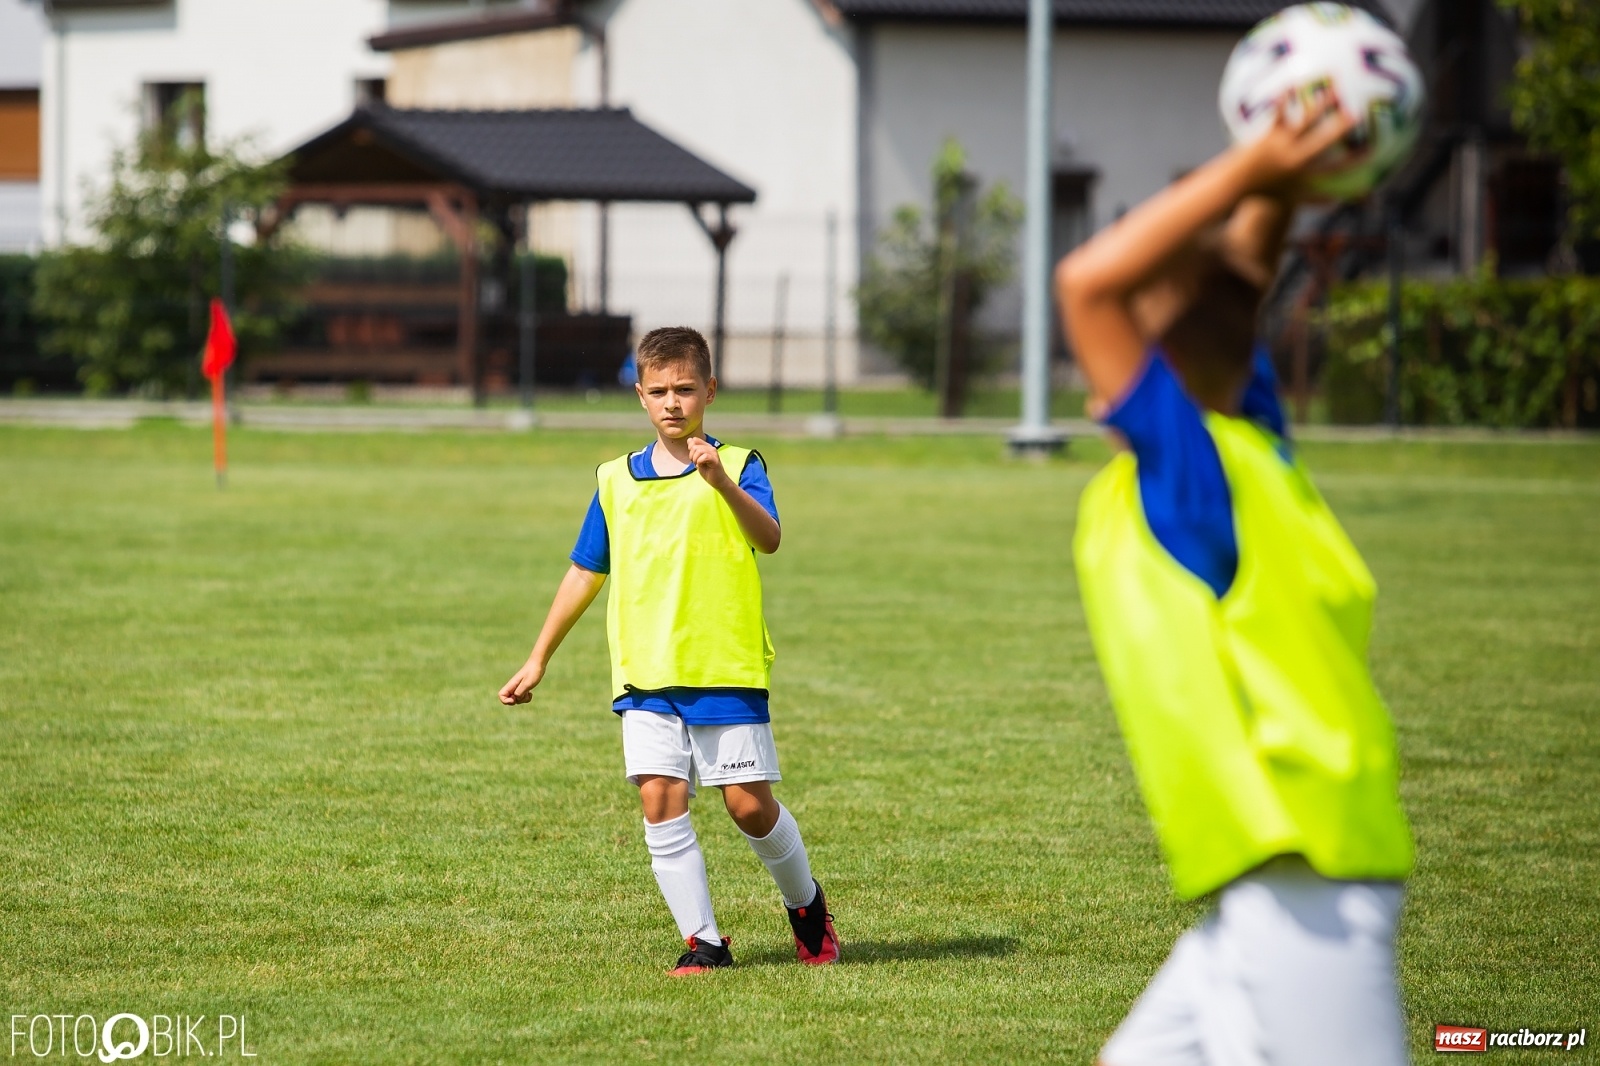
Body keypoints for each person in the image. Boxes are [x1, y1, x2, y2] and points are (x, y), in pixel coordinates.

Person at [1057, 95, 1416, 1066]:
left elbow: (1085, 282)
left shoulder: (1186, 472)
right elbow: (1239, 278)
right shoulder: (1254, 443)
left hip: (1300, 882)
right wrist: (1284, 179)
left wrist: (1250, 161)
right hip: (1287, 870)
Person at [498, 326, 839, 975]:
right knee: (660, 796)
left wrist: (719, 483)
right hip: (645, 672)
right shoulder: (615, 481)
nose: (673, 402)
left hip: (723, 666)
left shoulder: (739, 465)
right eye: (659, 391)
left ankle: (806, 904)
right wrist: (538, 656)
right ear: (641, 396)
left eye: (685, 388)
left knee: (747, 804)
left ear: (710, 390)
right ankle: (704, 941)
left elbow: (768, 539)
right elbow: (583, 571)